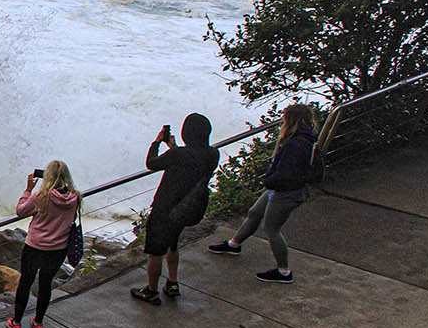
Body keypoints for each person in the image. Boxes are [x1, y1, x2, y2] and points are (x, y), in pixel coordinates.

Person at [207, 105, 319, 283]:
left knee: (272, 229)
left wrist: (267, 181)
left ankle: (284, 271)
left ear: (291, 120)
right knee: (254, 213)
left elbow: (286, 173)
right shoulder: (304, 138)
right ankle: (234, 245)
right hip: (281, 189)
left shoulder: (296, 144)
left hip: (285, 192)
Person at [131, 113, 219, 305]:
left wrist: (157, 142)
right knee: (173, 244)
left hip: (165, 209)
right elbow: (191, 163)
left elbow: (151, 163)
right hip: (187, 209)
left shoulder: (179, 155)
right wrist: (174, 148)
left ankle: (151, 291)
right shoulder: (213, 154)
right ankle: (172, 283)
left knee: (155, 251)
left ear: (186, 132)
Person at [7, 159, 80, 328]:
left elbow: (21, 211)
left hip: (35, 247)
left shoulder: (41, 196)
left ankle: (16, 323)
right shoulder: (76, 197)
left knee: (26, 282)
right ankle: (38, 323)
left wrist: (27, 190)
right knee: (46, 284)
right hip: (58, 249)